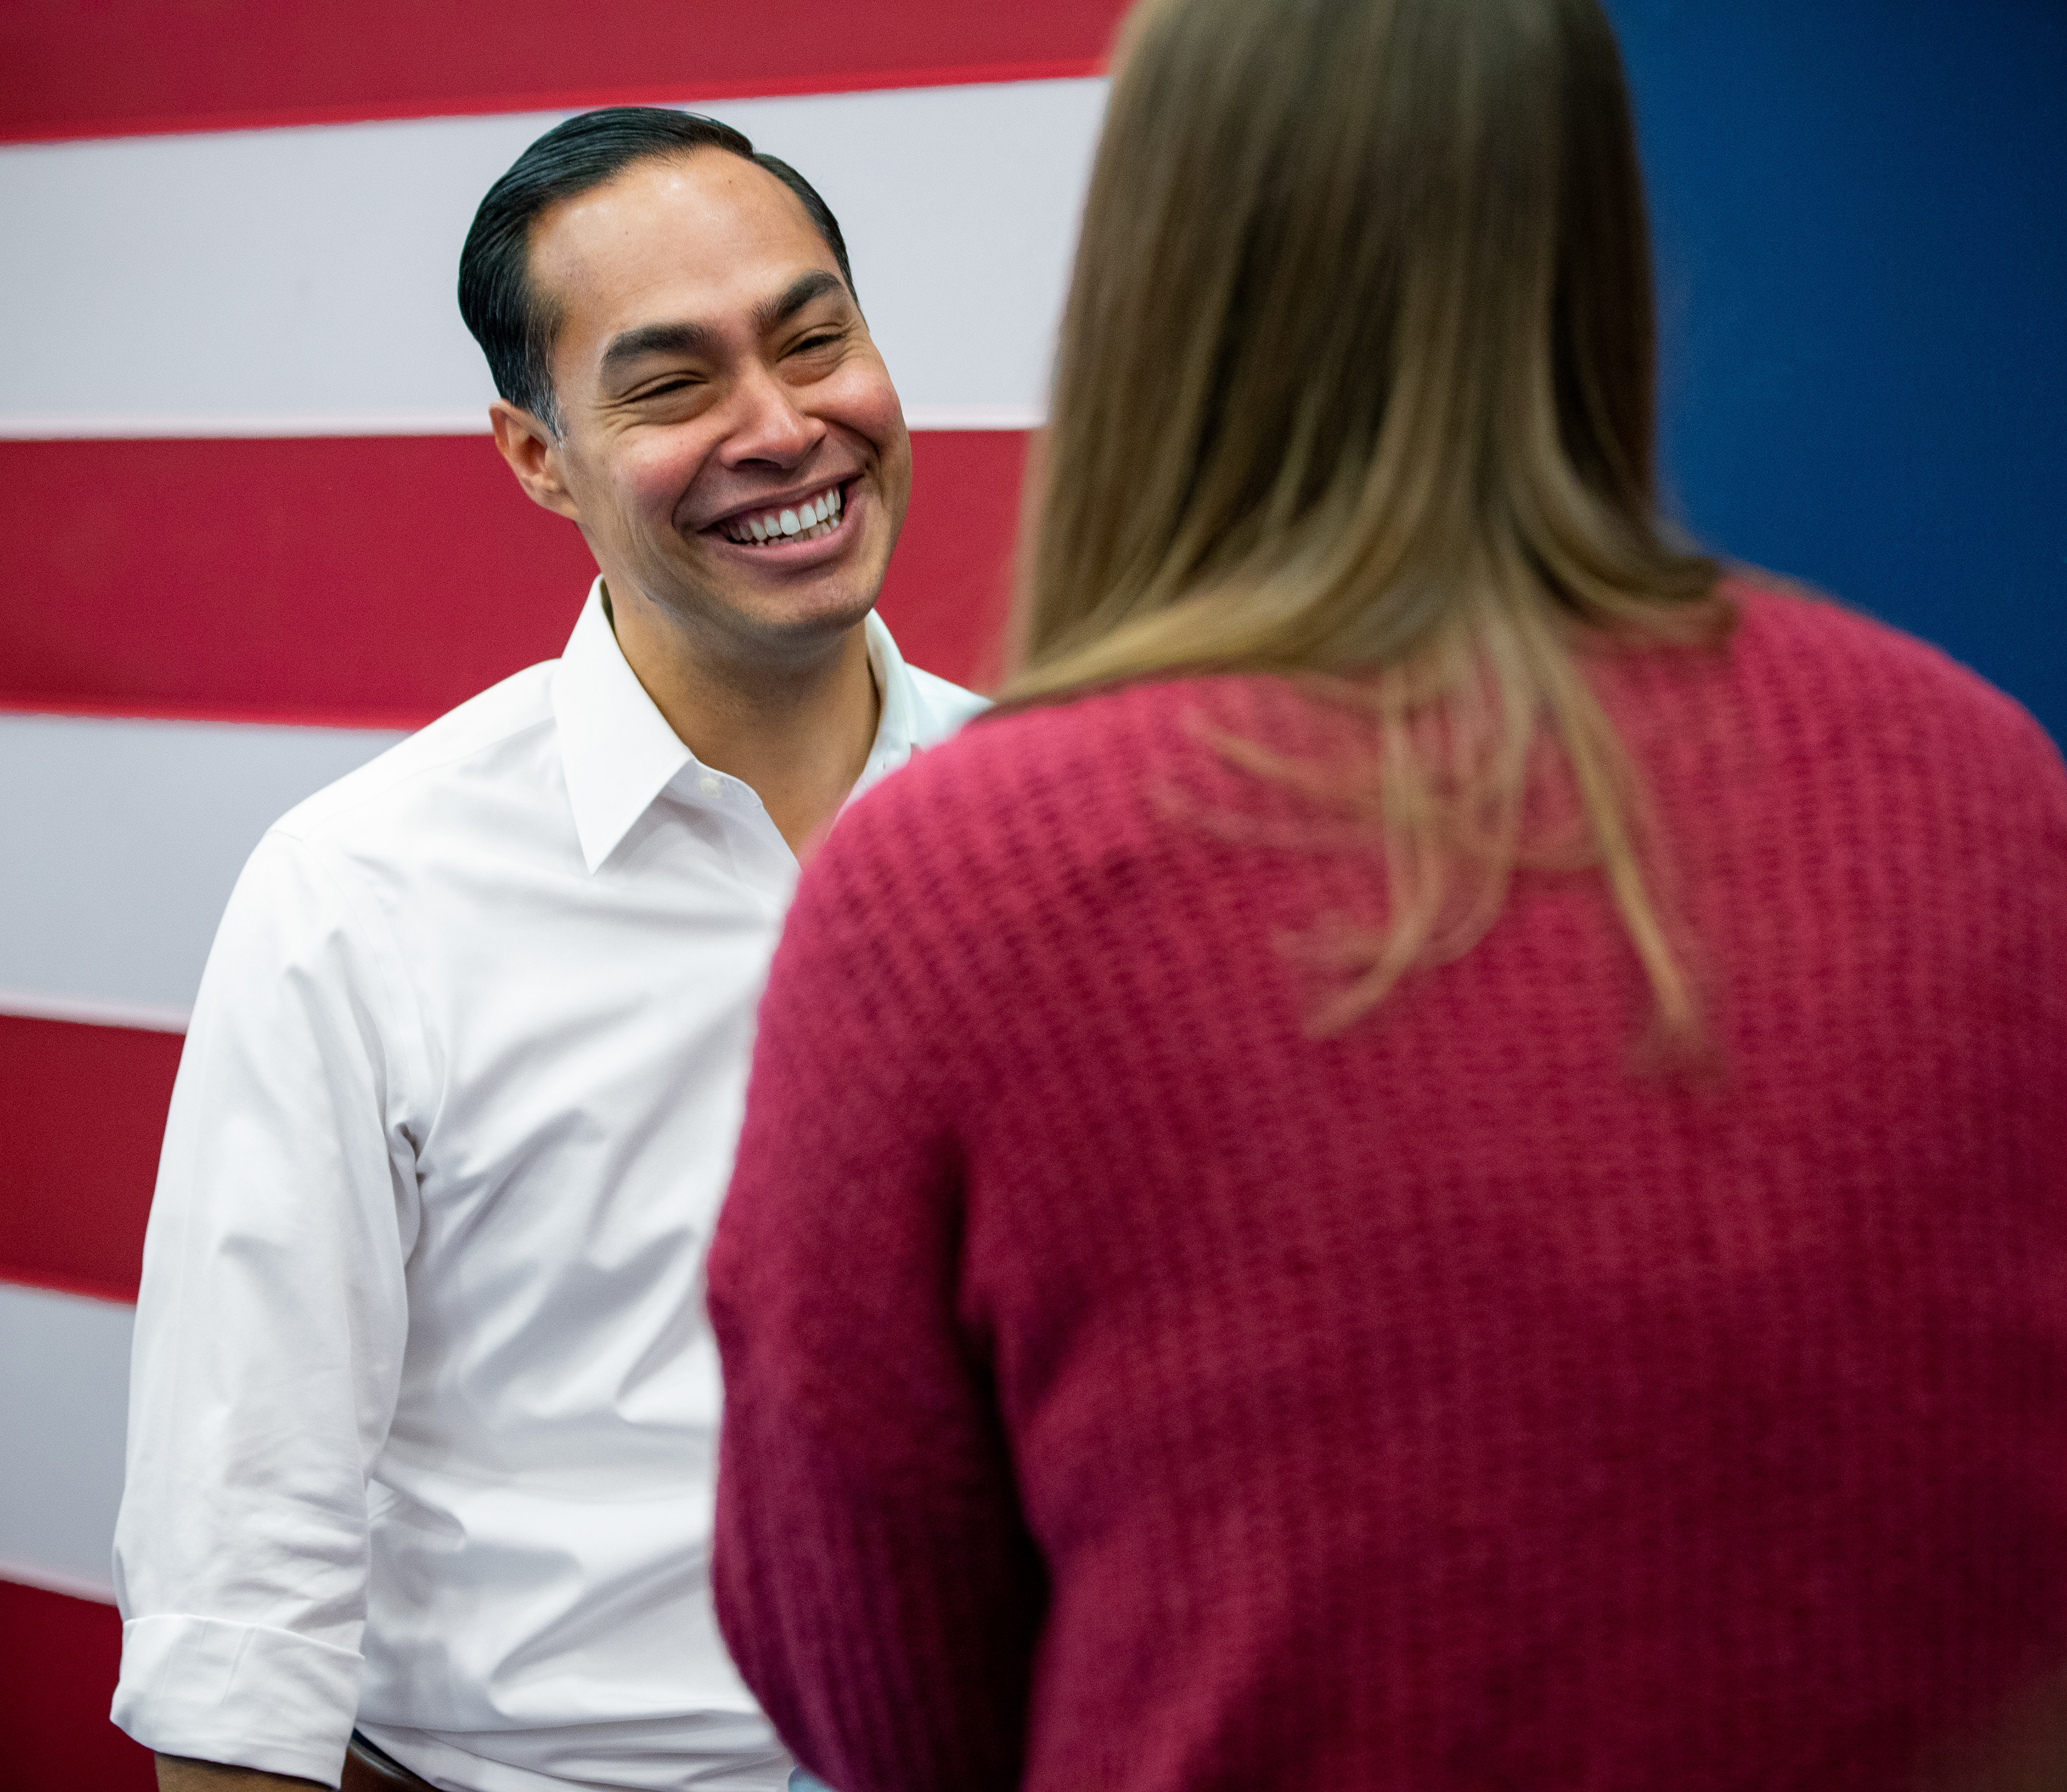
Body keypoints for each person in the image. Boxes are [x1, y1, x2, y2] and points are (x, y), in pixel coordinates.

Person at [704, 0, 2067, 1787]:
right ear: (1590, 241)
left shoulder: (952, 901)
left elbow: (880, 1696)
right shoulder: (1972, 775)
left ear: (1151, 267)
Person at [110, 107, 983, 1792]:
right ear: (536, 453)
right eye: (671, 384)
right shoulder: (362, 894)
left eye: (817, 341)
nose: (784, 426)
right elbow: (238, 1595)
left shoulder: (1061, 845)